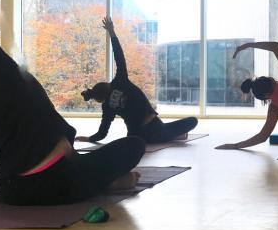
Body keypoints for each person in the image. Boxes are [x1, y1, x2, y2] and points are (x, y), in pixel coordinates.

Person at [0, 19, 144, 206]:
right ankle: (102, 183)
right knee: (134, 146)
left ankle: (98, 183)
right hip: (28, 183)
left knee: (134, 145)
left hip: (52, 173)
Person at [78, 17, 198, 145]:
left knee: (157, 134)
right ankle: (170, 136)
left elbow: (103, 132)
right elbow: (119, 56)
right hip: (154, 127)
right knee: (192, 121)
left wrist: (89, 138)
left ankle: (170, 136)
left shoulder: (107, 107)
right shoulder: (120, 80)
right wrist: (111, 32)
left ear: (99, 98)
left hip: (136, 136)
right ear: (106, 84)